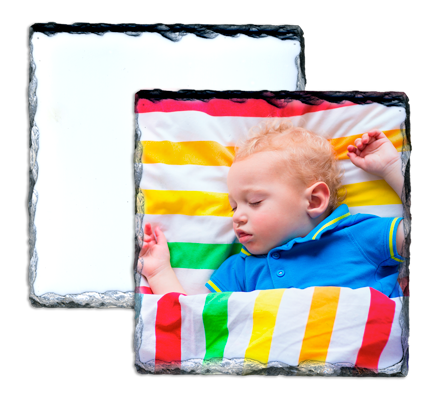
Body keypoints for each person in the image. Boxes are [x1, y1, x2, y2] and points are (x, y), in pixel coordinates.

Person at [138, 120, 406, 297]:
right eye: (233, 207)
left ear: (314, 201)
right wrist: (159, 273)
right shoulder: (240, 270)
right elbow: (194, 324)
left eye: (255, 202)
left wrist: (394, 169)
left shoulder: (357, 235)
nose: (238, 217)